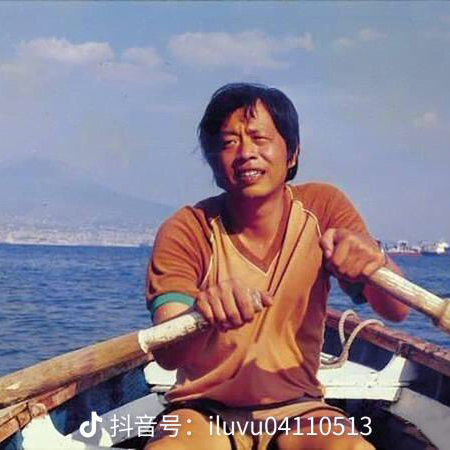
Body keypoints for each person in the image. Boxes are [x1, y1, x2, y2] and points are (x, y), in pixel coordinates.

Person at [144, 83, 408, 450]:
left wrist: (375, 261)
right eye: (228, 143)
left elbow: (395, 310)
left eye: (260, 138)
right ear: (212, 162)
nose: (246, 154)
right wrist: (201, 315)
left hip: (300, 408)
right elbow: (167, 352)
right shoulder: (187, 228)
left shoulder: (324, 207)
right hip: (201, 409)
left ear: (292, 153)